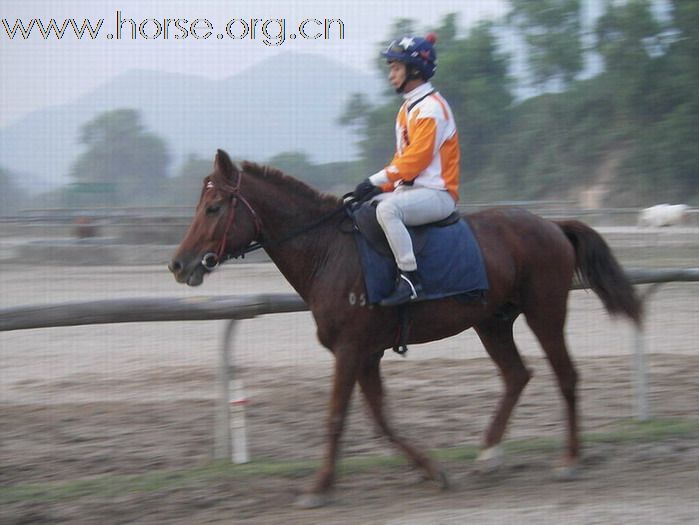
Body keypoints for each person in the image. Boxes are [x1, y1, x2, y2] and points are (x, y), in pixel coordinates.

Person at [354, 33, 461, 307]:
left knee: (388, 210)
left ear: (415, 70)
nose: (391, 75)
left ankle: (411, 280)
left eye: (396, 68)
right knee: (358, 207)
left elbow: (416, 160)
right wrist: (378, 187)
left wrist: (375, 179)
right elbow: (400, 161)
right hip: (411, 192)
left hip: (438, 194)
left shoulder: (432, 109)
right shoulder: (407, 110)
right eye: (391, 68)